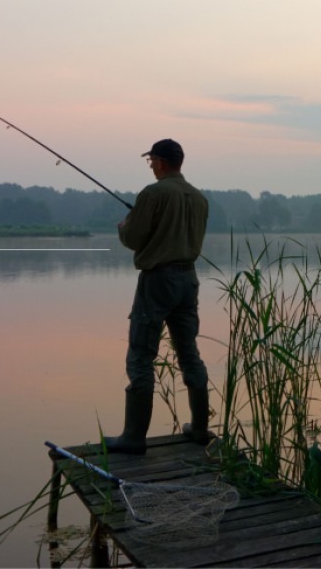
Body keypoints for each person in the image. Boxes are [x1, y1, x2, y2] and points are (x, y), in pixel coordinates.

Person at [105, 138, 212, 454]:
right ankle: (201, 428)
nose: (150, 165)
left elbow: (134, 238)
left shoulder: (153, 193)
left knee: (141, 354)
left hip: (157, 281)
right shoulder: (200, 198)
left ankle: (133, 436)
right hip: (188, 280)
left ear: (161, 162)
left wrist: (123, 226)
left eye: (151, 160)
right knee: (188, 351)